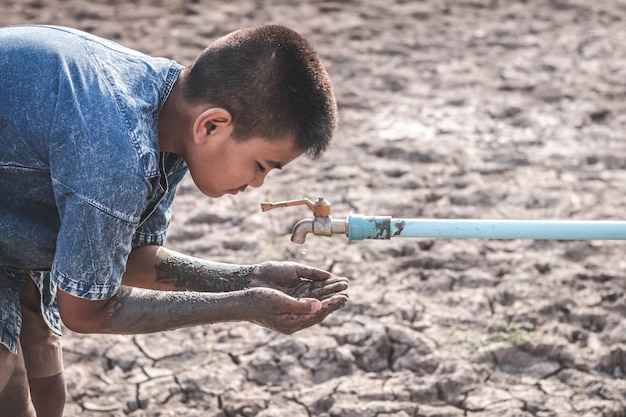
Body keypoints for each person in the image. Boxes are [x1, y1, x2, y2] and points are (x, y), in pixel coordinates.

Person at [0, 24, 349, 417]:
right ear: (211, 126)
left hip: (15, 212)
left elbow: (131, 256)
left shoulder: (168, 108)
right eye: (260, 165)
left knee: (48, 389)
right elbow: (87, 310)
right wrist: (240, 305)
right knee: (10, 395)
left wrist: (250, 277)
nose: (256, 182)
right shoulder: (118, 155)